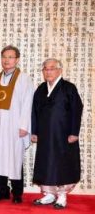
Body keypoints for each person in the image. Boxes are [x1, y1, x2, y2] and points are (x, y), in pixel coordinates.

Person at [31, 58, 83, 209]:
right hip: (45, 135)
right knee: (46, 163)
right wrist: (34, 131)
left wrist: (74, 132)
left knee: (62, 164)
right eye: (45, 69)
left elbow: (76, 110)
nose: (48, 71)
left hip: (63, 135)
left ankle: (61, 196)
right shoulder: (41, 89)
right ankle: (49, 194)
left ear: (60, 70)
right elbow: (34, 112)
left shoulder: (69, 88)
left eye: (52, 68)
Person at [0, 45, 34, 204]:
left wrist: (24, 126)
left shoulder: (24, 79)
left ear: (17, 59)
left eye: (10, 57)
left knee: (14, 158)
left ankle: (17, 193)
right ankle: (2, 190)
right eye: (4, 57)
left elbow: (28, 103)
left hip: (15, 126)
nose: (6, 60)